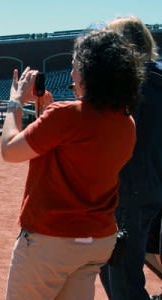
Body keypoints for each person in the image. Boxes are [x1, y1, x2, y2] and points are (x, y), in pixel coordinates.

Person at [0, 29, 144, 299]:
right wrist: (45, 117)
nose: (71, 74)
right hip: (96, 242)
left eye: (75, 66)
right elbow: (78, 153)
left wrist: (15, 103)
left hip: (50, 242)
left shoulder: (65, 115)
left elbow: (10, 150)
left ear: (89, 72)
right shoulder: (127, 123)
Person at [99, 16, 162, 300]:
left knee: (122, 282)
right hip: (151, 189)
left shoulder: (129, 86)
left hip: (129, 192)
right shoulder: (157, 79)